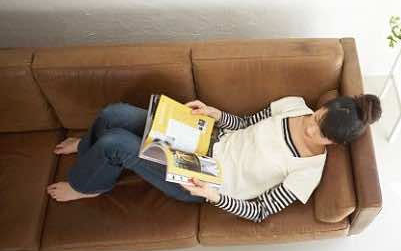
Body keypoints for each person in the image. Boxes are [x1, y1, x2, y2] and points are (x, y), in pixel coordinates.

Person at [47, 94, 382, 223]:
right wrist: (216, 113)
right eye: (316, 118)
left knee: (115, 143)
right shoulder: (293, 105)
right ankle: (89, 149)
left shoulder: (307, 171)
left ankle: (87, 185)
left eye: (320, 134)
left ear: (334, 144)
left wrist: (214, 196)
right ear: (322, 108)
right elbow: (247, 123)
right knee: (113, 113)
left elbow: (260, 211)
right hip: (204, 137)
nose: (310, 128)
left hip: (202, 177)